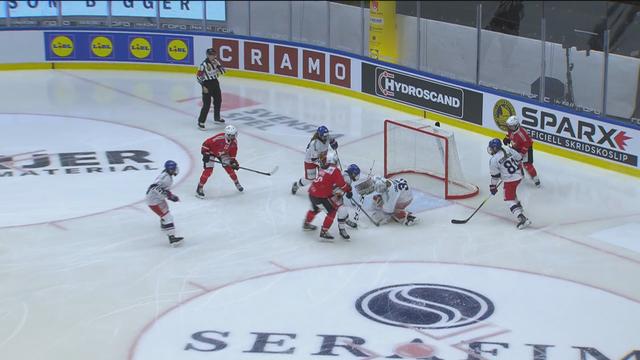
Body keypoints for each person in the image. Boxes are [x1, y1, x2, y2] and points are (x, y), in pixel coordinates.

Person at [303, 153, 352, 241]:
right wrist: (348, 190)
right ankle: (324, 231)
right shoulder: (335, 170)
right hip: (320, 197)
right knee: (332, 211)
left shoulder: (323, 167)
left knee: (315, 209)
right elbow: (342, 184)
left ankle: (306, 223)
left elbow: (327, 180)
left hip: (312, 193)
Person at [488, 138, 532, 230]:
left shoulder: (493, 160)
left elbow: (495, 176)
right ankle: (519, 207)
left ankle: (522, 218)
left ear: (495, 148)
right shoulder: (507, 149)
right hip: (519, 174)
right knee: (512, 194)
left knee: (508, 199)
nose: (490, 149)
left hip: (510, 180)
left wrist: (493, 187)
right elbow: (519, 158)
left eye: (492, 148)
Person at [196, 125, 242, 198]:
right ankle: (200, 187)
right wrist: (205, 154)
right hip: (210, 152)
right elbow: (205, 144)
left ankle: (237, 182)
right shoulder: (218, 138)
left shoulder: (234, 141)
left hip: (223, 153)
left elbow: (233, 151)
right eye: (232, 135)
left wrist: (233, 161)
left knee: (229, 168)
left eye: (234, 135)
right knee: (208, 170)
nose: (233, 137)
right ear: (227, 135)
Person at [291, 125, 338, 195]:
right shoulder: (315, 144)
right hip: (310, 161)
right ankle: (297, 185)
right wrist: (323, 165)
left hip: (322, 157)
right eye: (324, 136)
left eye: (326, 136)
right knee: (310, 179)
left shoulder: (327, 136)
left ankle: (324, 189)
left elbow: (332, 140)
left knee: (326, 175)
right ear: (319, 135)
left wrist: (334, 143)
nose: (326, 138)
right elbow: (314, 159)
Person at [146, 160, 183, 246]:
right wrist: (170, 196)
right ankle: (172, 238)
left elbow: (160, 188)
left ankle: (164, 223)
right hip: (154, 200)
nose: (176, 170)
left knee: (166, 211)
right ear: (170, 169)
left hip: (157, 199)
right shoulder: (165, 178)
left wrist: (170, 195)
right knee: (168, 217)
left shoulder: (166, 175)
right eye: (174, 168)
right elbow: (154, 187)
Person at [503, 115, 540, 187]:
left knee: (527, 165)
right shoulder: (511, 129)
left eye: (511, 126)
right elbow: (509, 134)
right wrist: (506, 138)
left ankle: (535, 179)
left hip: (526, 149)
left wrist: (522, 154)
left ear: (516, 125)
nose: (510, 127)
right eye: (509, 126)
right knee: (517, 163)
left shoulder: (522, 134)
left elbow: (528, 144)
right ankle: (521, 174)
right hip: (516, 147)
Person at [196, 48, 226, 130]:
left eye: (214, 55)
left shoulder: (216, 62)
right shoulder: (203, 65)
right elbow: (198, 77)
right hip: (207, 84)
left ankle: (217, 118)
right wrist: (203, 86)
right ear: (207, 55)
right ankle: (201, 122)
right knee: (207, 105)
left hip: (215, 83)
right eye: (211, 55)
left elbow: (223, 72)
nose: (213, 56)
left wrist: (218, 65)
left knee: (218, 100)